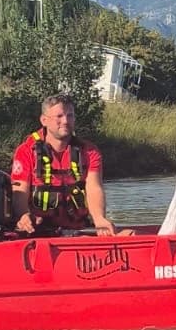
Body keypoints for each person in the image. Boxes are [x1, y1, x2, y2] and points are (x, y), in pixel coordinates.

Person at [11, 92, 132, 237]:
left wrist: (99, 219)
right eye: (59, 116)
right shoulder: (25, 151)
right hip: (39, 231)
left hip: (79, 229)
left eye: (70, 116)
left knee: (130, 234)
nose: (66, 121)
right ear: (44, 120)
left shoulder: (90, 151)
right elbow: (19, 192)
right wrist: (24, 215)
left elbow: (94, 187)